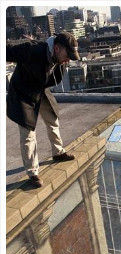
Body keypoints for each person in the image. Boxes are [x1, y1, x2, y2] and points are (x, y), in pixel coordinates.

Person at [7, 32, 80, 188]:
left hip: (41, 88)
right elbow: (6, 51)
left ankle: (58, 153)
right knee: (28, 133)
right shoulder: (31, 50)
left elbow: (52, 75)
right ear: (57, 48)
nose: (68, 60)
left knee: (52, 119)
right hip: (23, 92)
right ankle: (33, 173)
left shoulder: (62, 58)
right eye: (68, 55)